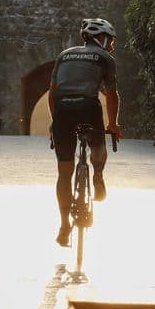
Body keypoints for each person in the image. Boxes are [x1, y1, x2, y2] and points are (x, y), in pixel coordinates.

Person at [48, 18, 123, 247]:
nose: (111, 45)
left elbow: (53, 91)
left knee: (64, 173)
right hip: (87, 107)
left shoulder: (64, 54)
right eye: (110, 40)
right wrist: (113, 124)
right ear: (103, 38)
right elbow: (111, 94)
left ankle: (63, 225)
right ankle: (98, 175)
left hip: (62, 110)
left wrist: (54, 122)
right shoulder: (105, 58)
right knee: (98, 144)